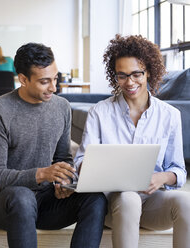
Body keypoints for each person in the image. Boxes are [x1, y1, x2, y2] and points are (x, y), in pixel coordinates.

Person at [0, 42, 107, 248]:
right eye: (44, 81)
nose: (54, 87)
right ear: (23, 79)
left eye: (55, 78)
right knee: (22, 196)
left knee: (95, 198)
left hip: (47, 202)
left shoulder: (61, 107)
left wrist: (63, 182)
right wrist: (41, 174)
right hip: (7, 203)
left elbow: (63, 159)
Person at [74, 34, 190, 248]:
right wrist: (91, 168)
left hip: (153, 203)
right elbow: (80, 161)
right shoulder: (99, 113)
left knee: (186, 202)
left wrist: (162, 177)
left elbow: (179, 171)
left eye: (137, 74)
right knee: (128, 198)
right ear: (114, 76)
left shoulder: (170, 115)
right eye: (122, 75)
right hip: (114, 206)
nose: (129, 82)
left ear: (149, 72)